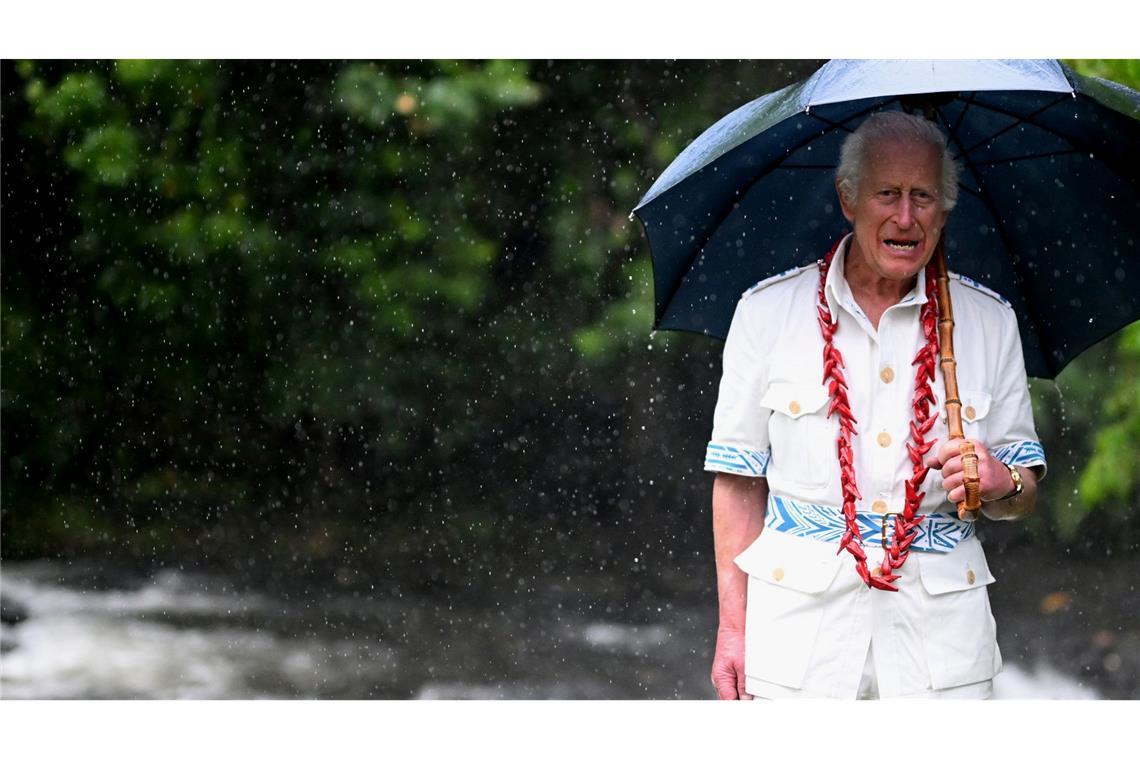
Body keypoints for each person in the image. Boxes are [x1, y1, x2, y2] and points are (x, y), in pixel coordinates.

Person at [704, 111, 1046, 700]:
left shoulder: (990, 322)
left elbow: (1024, 494)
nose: (906, 218)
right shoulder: (765, 312)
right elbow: (738, 484)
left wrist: (1000, 483)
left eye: (924, 196)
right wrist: (733, 628)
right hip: (797, 647)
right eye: (887, 194)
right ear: (848, 198)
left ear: (944, 208)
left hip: (943, 652)